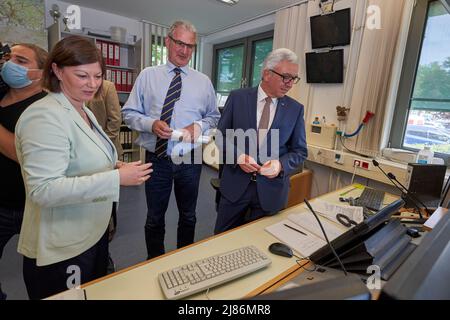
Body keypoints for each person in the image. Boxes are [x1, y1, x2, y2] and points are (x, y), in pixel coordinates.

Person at [15, 35, 152, 300]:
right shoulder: (44, 116)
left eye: (98, 76)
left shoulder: (82, 108)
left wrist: (111, 163)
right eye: (82, 76)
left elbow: (80, 155)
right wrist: (115, 178)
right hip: (63, 247)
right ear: (56, 70)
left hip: (90, 235)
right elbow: (44, 190)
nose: (92, 85)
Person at [122, 20, 220, 259]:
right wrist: (150, 124)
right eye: (179, 43)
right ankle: (154, 261)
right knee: (155, 217)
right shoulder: (148, 76)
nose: (184, 50)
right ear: (167, 42)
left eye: (190, 46)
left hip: (190, 159)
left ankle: (182, 260)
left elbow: (213, 115)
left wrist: (199, 125)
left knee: (189, 215)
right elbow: (129, 113)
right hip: (157, 158)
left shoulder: (203, 82)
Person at [214, 48, 308, 234]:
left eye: (294, 79)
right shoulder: (238, 98)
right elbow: (220, 136)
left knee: (262, 245)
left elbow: (300, 151)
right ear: (267, 74)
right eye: (285, 77)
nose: (289, 84)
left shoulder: (295, 109)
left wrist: (280, 165)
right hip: (235, 187)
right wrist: (238, 156)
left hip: (271, 192)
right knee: (221, 241)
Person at [0, 43, 48, 300]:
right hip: (1, 204)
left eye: (21, 61)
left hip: (34, 206)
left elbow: (24, 155)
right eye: (9, 58)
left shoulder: (45, 108)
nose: (10, 65)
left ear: (40, 73)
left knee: (40, 274)